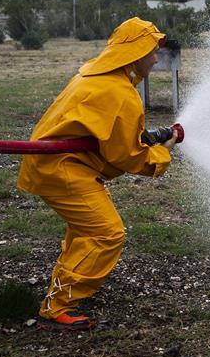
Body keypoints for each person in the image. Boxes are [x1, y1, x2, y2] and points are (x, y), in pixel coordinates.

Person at [17, 17, 179, 330]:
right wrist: (163, 153)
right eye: (151, 50)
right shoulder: (120, 93)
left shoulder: (95, 74)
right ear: (134, 53)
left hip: (56, 163)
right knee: (107, 233)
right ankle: (57, 307)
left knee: (85, 230)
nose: (156, 58)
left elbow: (107, 133)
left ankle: (63, 290)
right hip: (62, 169)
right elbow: (127, 157)